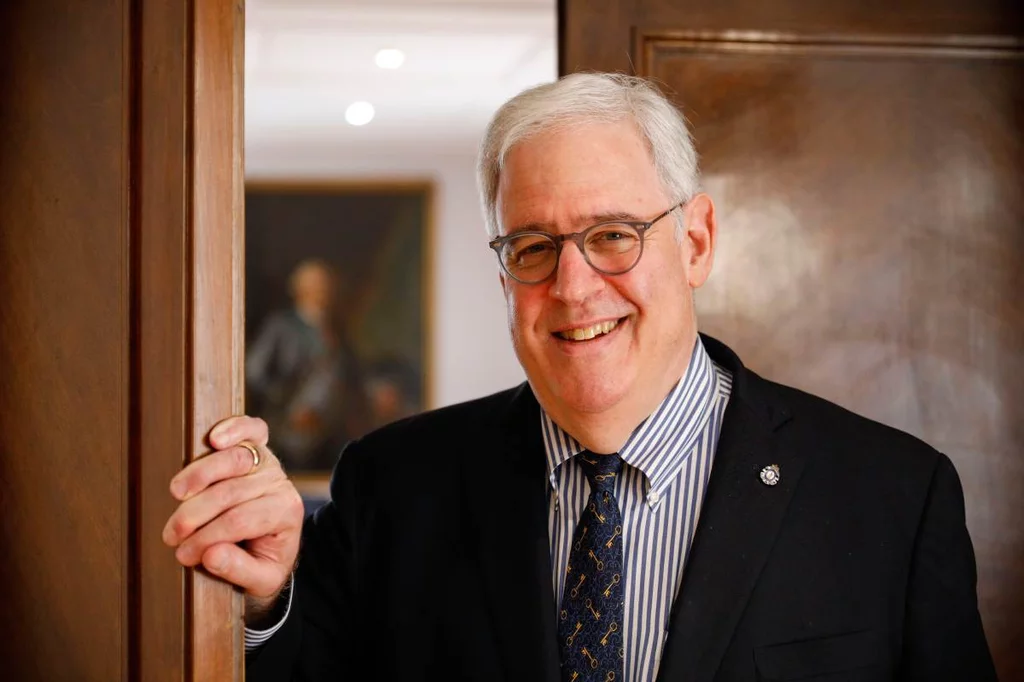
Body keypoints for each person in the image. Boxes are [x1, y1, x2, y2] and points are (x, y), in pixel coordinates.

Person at [162, 73, 996, 681]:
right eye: (533, 247)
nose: (572, 287)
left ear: (696, 241)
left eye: (613, 234)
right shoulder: (394, 484)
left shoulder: (892, 497)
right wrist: (270, 599)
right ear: (504, 276)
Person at [245, 258, 369, 471]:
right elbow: (253, 371)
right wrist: (286, 403)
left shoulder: (336, 331)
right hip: (289, 431)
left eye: (325, 286)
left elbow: (347, 379)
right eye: (316, 286)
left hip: (328, 433)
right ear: (300, 289)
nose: (323, 292)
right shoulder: (280, 326)